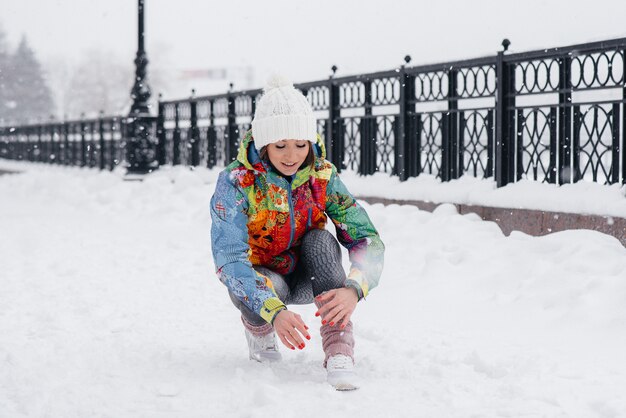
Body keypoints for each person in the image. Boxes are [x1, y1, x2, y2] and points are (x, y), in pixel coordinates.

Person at [210, 75, 384, 390]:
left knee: (321, 240)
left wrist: (355, 288)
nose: (292, 156)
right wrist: (274, 312)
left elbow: (366, 238)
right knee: (264, 283)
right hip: (263, 281)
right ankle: (259, 331)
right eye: (280, 146)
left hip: (308, 276)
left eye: (300, 145)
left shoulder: (321, 176)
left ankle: (339, 352)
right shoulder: (237, 182)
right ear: (264, 143)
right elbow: (229, 259)